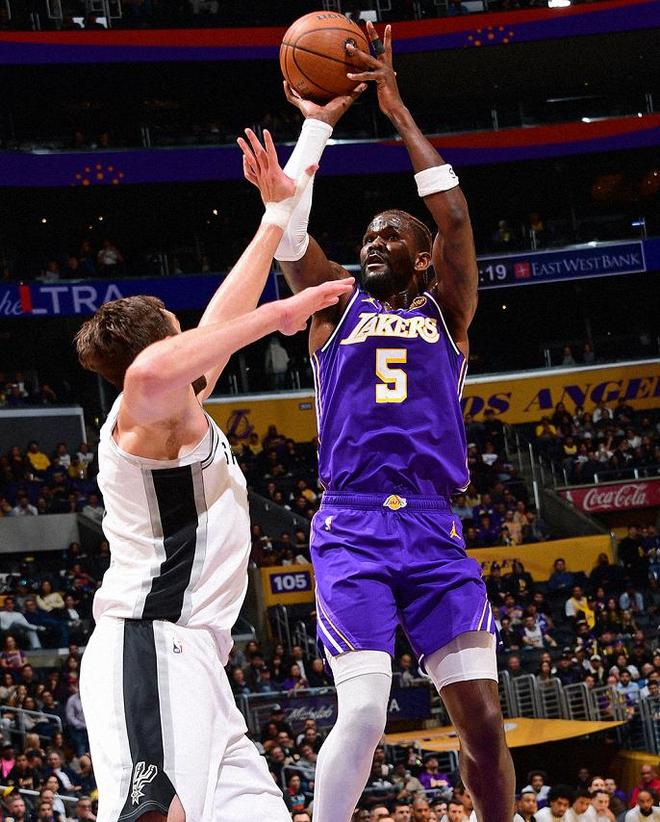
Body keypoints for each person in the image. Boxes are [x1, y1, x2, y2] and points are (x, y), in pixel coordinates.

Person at [242, 22, 514, 822]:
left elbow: (454, 218)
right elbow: (291, 234)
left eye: (391, 234)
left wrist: (394, 108)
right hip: (354, 527)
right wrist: (315, 127)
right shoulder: (334, 304)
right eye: (367, 234)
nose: (374, 241)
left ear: (422, 259)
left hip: (433, 527)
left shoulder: (447, 311)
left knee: (484, 723)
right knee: (363, 711)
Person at [75, 130, 353, 822]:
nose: (197, 335)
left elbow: (222, 315)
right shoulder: (141, 417)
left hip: (202, 663)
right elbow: (155, 369)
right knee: (152, 813)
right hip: (151, 643)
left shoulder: (180, 408)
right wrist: (282, 314)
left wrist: (275, 213)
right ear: (163, 342)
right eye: (181, 330)